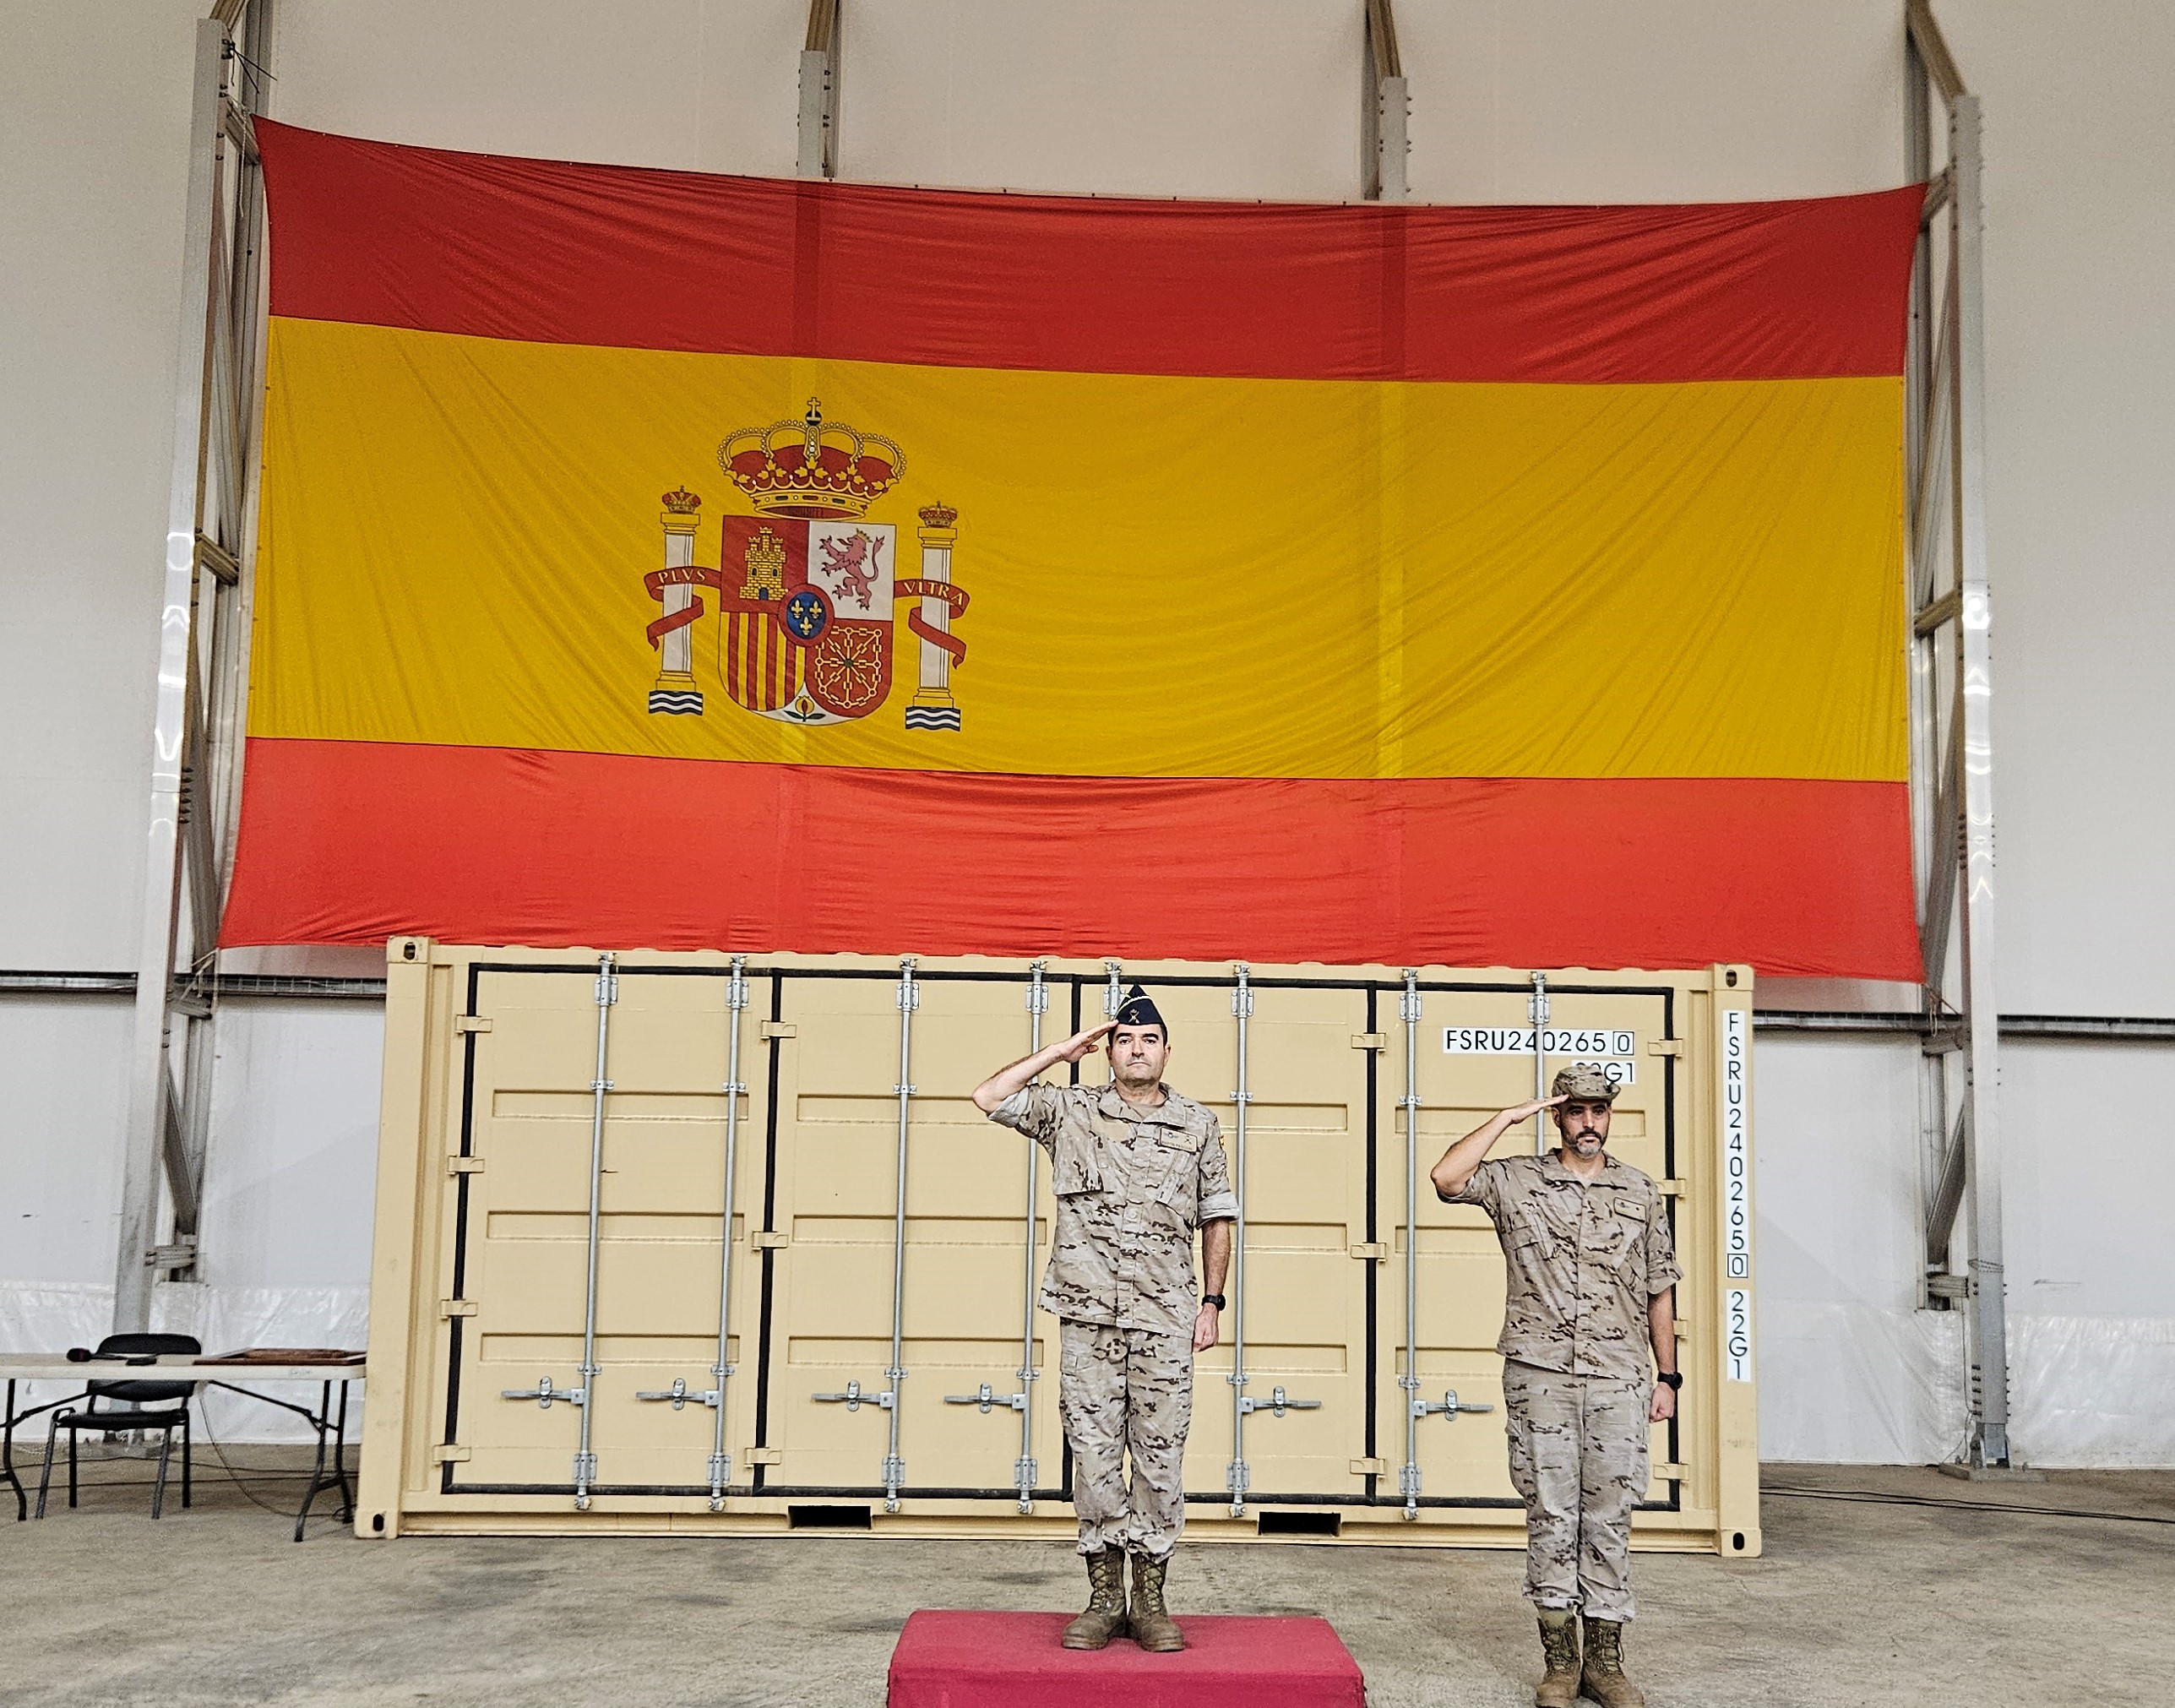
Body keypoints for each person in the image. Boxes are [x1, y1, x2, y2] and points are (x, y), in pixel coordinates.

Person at [971, 986, 1237, 1653]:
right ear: (1108, 1050)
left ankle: (1149, 1600)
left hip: (1165, 1315)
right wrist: (1060, 1052)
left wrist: (1211, 1303)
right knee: (1091, 1459)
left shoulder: (1197, 1124)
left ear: (1167, 1051)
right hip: (1086, 1314)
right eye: (1124, 1039)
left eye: (1149, 1040)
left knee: (1158, 1459)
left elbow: (1217, 1217)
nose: (1137, 1049)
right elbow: (989, 1096)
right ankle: (1102, 1596)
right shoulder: (1069, 1111)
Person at [1430, 1064, 1681, 1708]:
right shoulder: (1516, 1179)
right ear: (1557, 1117)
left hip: (1618, 1376)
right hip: (1540, 1373)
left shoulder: (1640, 1192)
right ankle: (1559, 1666)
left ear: (1609, 1116)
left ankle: (1606, 1664)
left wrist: (1668, 1376)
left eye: (1598, 1111)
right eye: (1575, 1111)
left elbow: (1660, 1288)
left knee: (1609, 1516)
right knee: (1550, 1513)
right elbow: (1446, 1178)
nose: (1588, 1123)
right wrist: (1505, 1117)